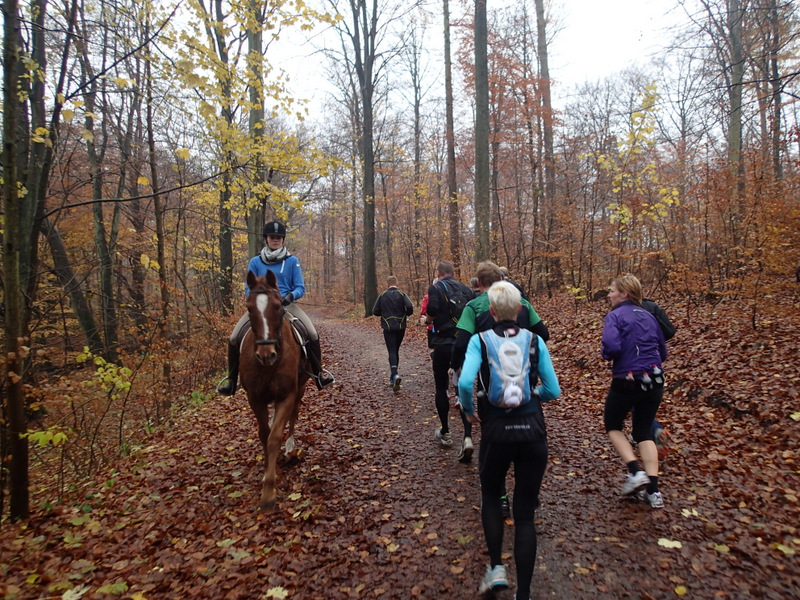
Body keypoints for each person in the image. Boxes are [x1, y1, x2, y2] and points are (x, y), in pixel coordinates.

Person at [457, 281, 560, 600]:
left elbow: (464, 382)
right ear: (520, 310)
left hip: (497, 432)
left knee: (491, 496)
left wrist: (471, 411)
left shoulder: (480, 340)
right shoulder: (534, 340)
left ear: (490, 310)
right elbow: (553, 391)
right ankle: (524, 594)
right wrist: (532, 397)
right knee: (525, 513)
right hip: (532, 432)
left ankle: (496, 568)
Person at [451, 261, 550, 499]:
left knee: (495, 438)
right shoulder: (521, 303)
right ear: (501, 280)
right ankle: (526, 492)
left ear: (479, 283)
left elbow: (462, 341)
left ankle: (501, 495)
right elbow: (544, 334)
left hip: (491, 381)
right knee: (527, 431)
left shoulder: (473, 306)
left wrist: (457, 367)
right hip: (524, 382)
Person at [216, 221, 335, 396]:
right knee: (234, 337)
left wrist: (290, 296)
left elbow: (300, 287)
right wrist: (257, 300)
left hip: (287, 305)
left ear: (283, 239)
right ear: (266, 239)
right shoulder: (255, 262)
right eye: (272, 237)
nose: (276, 240)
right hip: (261, 308)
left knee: (312, 333)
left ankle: (319, 375)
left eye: (279, 237)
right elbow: (248, 287)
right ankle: (232, 381)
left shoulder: (292, 261)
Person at [601, 274, 667, 509]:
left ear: (624, 294)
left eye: (612, 290)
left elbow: (611, 346)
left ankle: (635, 471)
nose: (609, 295)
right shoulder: (649, 315)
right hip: (655, 379)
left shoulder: (615, 316)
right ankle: (654, 492)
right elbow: (663, 350)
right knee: (643, 432)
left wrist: (608, 355)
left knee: (613, 425)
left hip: (627, 379)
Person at [425, 261, 474, 459]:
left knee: (440, 386)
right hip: (463, 344)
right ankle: (468, 437)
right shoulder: (466, 290)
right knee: (463, 387)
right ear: (453, 273)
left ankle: (445, 431)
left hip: (443, 344)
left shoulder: (435, 288)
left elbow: (433, 309)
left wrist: (428, 321)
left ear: (439, 273)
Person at [372, 276, 414, 391]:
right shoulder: (402, 294)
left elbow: (375, 311)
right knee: (395, 350)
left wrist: (383, 312)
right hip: (401, 326)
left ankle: (394, 375)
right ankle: (393, 377)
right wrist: (407, 314)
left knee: (391, 350)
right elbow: (410, 306)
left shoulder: (382, 295)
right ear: (397, 284)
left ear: (387, 284)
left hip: (388, 326)